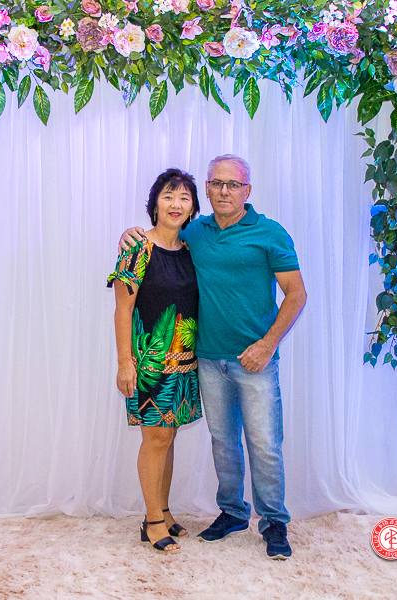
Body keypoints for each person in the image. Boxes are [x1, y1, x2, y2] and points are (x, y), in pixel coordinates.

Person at [120, 155, 306, 560]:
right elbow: (157, 239)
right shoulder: (195, 233)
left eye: (233, 184)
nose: (224, 191)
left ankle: (274, 522)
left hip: (255, 359)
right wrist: (128, 234)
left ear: (247, 190)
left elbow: (296, 295)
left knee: (264, 444)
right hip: (204, 359)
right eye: (217, 183)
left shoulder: (270, 233)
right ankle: (233, 512)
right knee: (223, 442)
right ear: (206, 189)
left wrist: (267, 344)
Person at [107, 168, 203, 554]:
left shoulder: (191, 250)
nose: (176, 204)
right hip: (149, 364)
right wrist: (124, 363)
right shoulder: (137, 248)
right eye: (168, 196)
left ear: (193, 207)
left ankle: (163, 509)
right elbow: (122, 309)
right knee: (156, 438)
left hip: (185, 362)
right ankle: (151, 521)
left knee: (169, 435)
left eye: (184, 197)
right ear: (155, 204)